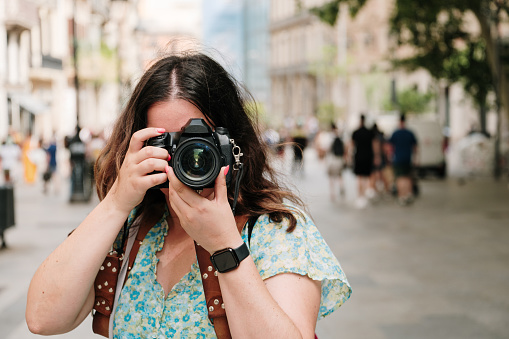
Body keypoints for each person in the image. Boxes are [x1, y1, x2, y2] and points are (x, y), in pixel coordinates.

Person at [26, 51, 351, 338]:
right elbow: (43, 319)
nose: (189, 156)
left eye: (200, 140)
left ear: (231, 146)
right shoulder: (130, 231)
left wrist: (225, 243)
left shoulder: (279, 232)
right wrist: (116, 203)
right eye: (167, 142)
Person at [389, 114, 418, 206]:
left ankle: (401, 196)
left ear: (399, 121)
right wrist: (415, 158)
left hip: (398, 158)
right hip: (407, 158)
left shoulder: (395, 133)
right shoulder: (410, 133)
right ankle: (408, 194)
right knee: (408, 177)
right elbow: (415, 147)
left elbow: (389, 146)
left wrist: (390, 156)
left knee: (399, 178)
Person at [350, 114, 375, 208]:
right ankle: (363, 196)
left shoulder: (355, 132)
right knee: (366, 177)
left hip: (358, 156)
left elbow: (352, 145)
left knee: (359, 177)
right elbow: (374, 145)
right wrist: (376, 156)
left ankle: (360, 196)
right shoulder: (369, 132)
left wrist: (349, 156)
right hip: (368, 156)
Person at [327, 123, 346, 202]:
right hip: (339, 159)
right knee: (339, 175)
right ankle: (341, 186)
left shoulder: (329, 137)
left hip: (332, 159)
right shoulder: (340, 137)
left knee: (331, 177)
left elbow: (327, 149)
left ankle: (333, 193)